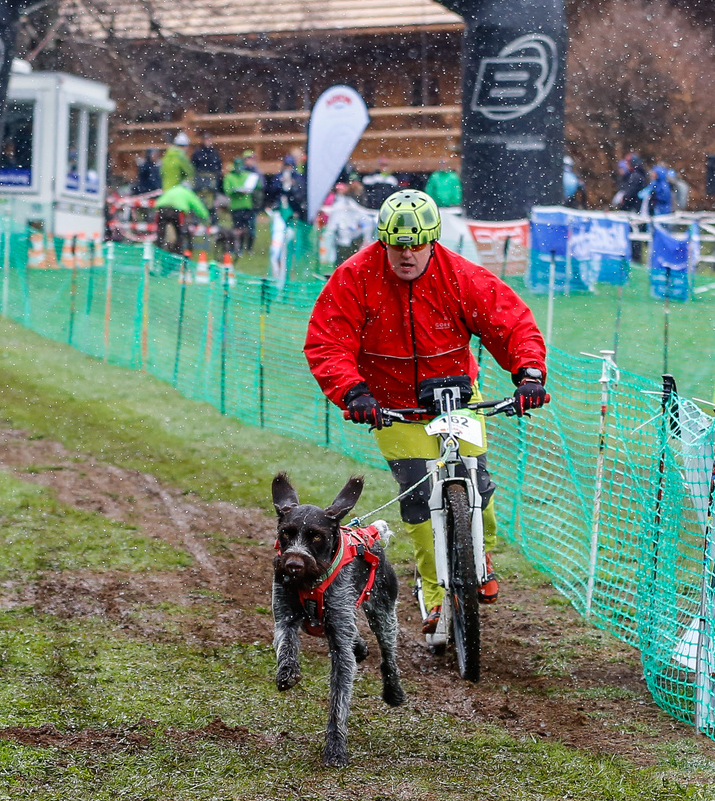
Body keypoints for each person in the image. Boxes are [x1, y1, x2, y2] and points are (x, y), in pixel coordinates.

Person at [304, 190, 548, 634]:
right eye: (397, 245)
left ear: (433, 240)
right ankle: (435, 597)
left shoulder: (461, 275)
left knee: (478, 481)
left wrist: (528, 373)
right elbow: (327, 340)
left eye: (417, 244)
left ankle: (480, 552)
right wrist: (353, 393)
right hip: (390, 402)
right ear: (383, 241)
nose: (407, 254)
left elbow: (509, 322)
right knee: (419, 495)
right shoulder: (355, 277)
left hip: (457, 392)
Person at [154, 181, 209, 253]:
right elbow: (198, 206)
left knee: (161, 233)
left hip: (162, 210)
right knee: (179, 233)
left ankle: (157, 252)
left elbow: (158, 201)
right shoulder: (188, 193)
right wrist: (205, 216)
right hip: (176, 211)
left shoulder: (172, 189)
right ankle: (177, 253)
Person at [223, 157, 258, 246]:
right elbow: (227, 190)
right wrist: (236, 191)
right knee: (237, 228)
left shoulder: (248, 175)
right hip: (236, 206)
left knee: (247, 228)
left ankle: (245, 247)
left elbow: (257, 186)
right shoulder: (229, 177)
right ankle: (236, 246)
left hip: (246, 205)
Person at [191, 133, 223, 219]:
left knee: (211, 202)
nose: (208, 142)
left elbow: (218, 167)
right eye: (206, 140)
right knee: (199, 201)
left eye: (209, 140)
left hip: (212, 180)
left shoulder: (214, 153)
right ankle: (198, 220)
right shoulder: (198, 153)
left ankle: (211, 221)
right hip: (200, 180)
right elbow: (193, 166)